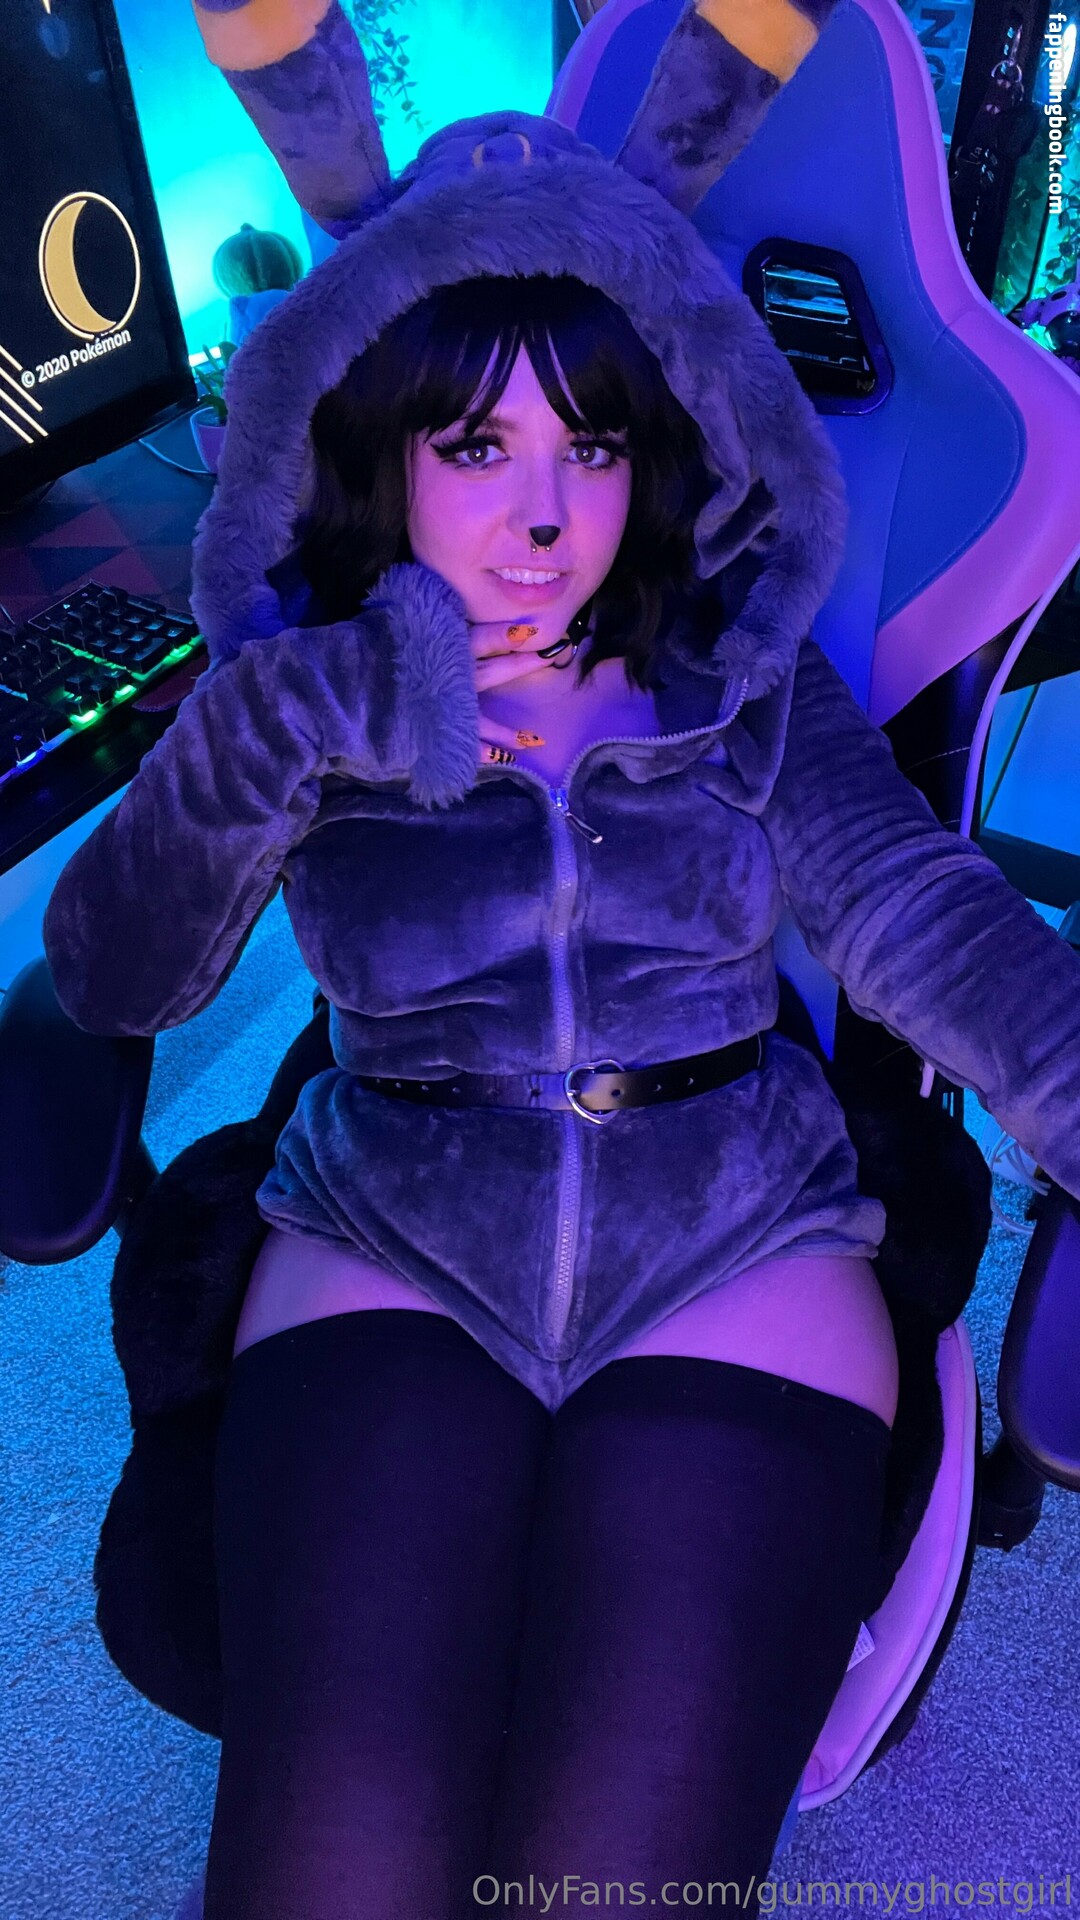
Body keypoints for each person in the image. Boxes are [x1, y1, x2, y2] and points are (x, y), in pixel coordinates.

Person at [40, 3, 1080, 1914]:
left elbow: (921, 914)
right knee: (329, 1874)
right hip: (395, 1223)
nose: (544, 514)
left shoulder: (738, 667)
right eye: (475, 442)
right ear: (378, 443)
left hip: (735, 1232)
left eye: (592, 443)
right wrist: (284, 721)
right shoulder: (306, 683)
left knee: (618, 1885)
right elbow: (115, 974)